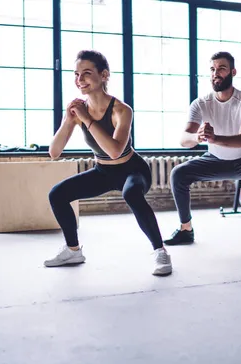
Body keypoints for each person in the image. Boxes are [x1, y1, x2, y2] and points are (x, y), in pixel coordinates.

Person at [44, 50, 173, 276]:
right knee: (57, 194)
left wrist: (85, 118)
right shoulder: (78, 111)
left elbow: (114, 151)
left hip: (132, 169)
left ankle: (160, 251)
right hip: (102, 171)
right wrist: (68, 120)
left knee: (131, 194)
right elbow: (54, 152)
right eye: (76, 74)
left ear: (104, 75)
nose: (79, 80)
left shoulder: (122, 110)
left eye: (86, 73)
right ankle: (73, 250)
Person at [163, 51, 241, 251]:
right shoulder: (200, 104)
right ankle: (185, 229)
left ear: (233, 71)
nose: (216, 73)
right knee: (178, 174)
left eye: (221, 68)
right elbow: (183, 139)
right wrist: (199, 137)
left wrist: (214, 138)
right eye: (212, 69)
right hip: (215, 159)